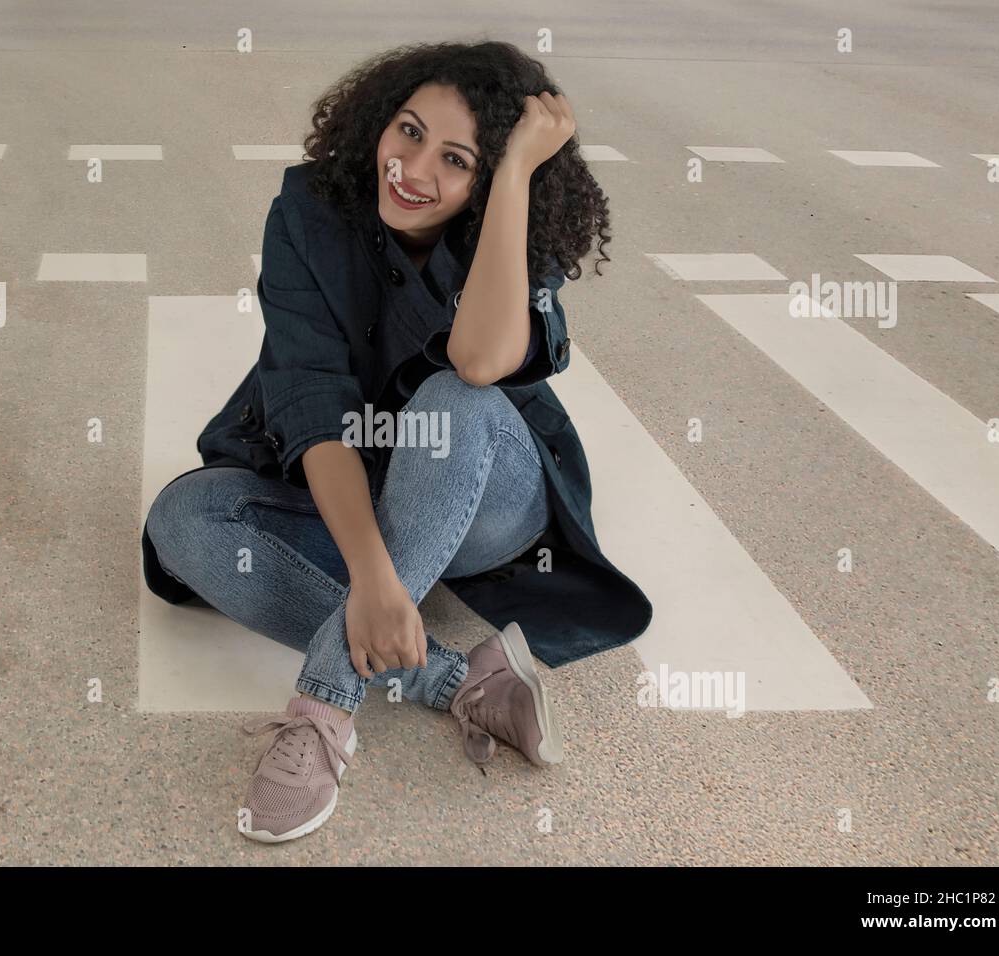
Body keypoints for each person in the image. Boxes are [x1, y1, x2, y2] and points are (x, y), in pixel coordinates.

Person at [142, 40, 653, 843]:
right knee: (183, 520)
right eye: (408, 132)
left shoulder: (516, 231)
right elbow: (312, 403)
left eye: (456, 160)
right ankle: (456, 679)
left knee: (457, 397)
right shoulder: (308, 212)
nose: (412, 169)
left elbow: (480, 362)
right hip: (348, 498)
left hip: (479, 502)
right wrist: (377, 581)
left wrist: (514, 174)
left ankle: (323, 707)